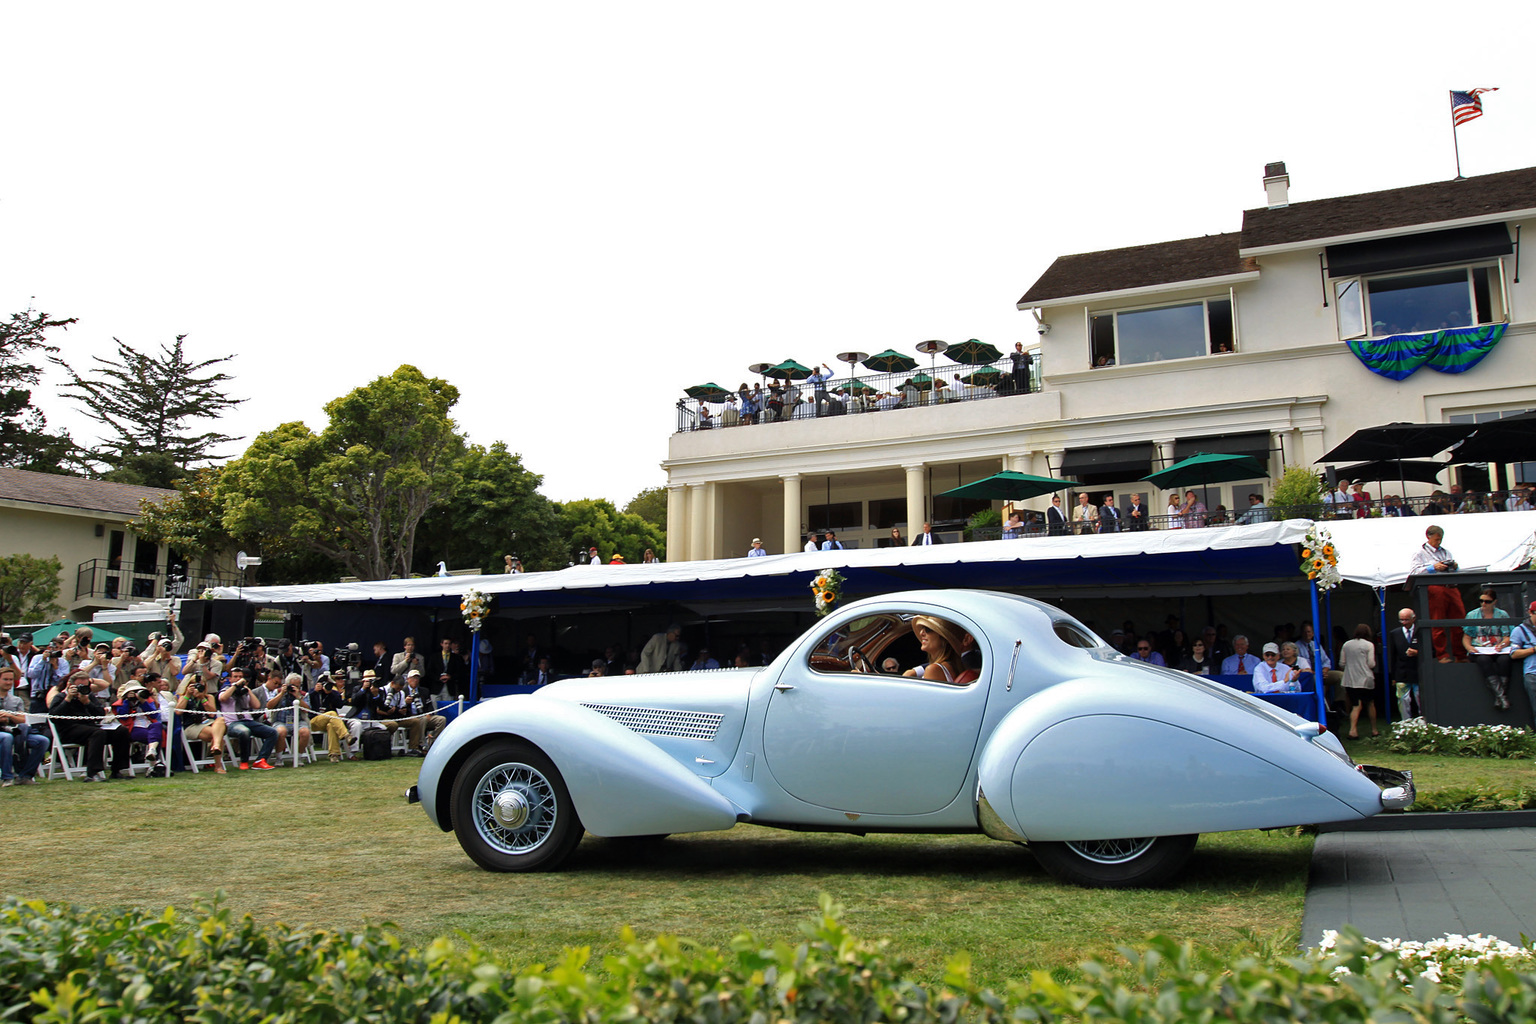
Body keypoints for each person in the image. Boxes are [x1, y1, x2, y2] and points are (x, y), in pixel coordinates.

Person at [48, 670, 132, 781]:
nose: (82, 688)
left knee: (121, 731)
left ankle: (117, 770)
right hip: (68, 730)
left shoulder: (88, 696)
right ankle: (92, 773)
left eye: (85, 686)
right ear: (70, 685)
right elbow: (54, 717)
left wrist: (87, 702)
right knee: (98, 733)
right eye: (79, 686)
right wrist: (68, 699)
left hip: (90, 728)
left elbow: (100, 714)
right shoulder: (60, 697)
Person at [1408, 525, 1465, 661]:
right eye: (1436, 539)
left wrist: (1454, 567)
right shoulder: (1420, 553)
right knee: (1437, 621)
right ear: (1429, 537)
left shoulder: (1446, 552)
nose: (1439, 542)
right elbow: (1414, 572)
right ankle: (1442, 655)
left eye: (1440, 539)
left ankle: (1460, 655)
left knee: (1460, 620)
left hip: (1450, 586)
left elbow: (1454, 570)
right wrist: (1433, 567)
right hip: (1434, 587)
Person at [1463, 586, 1514, 711]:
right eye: (1481, 601)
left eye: (1487, 601)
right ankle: (1502, 697)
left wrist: (1502, 644)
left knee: (1505, 660)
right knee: (1483, 660)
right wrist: (1470, 648)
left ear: (1494, 602)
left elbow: (1507, 636)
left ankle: (1499, 697)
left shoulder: (1502, 615)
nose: (1484, 604)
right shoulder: (1473, 615)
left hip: (1498, 648)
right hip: (1480, 649)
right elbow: (1466, 637)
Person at [0, 666, 47, 786]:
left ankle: (25, 776)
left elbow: (23, 719)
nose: (9, 682)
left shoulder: (16, 700)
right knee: (6, 738)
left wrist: (10, 716)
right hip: (4, 733)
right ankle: (7, 777)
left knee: (42, 741)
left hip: (17, 731)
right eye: (5, 679)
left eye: (11, 680)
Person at [902, 616, 966, 684]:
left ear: (944, 639)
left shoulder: (933, 670)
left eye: (928, 629)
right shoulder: (952, 665)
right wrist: (915, 671)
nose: (921, 633)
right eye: (922, 628)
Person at [1388, 608, 1422, 721]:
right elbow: (1393, 655)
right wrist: (1394, 676)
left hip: (1418, 671)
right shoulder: (1395, 633)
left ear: (1413, 618)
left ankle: (1424, 719)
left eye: (1406, 620)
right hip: (1402, 672)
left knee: (1420, 697)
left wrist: (1417, 653)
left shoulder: (1420, 632)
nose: (1404, 623)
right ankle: (1405, 721)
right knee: (1403, 699)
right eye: (1401, 620)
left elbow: (1431, 651)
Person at [1509, 601, 1536, 729]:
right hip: (1533, 675)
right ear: (1530, 613)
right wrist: (1533, 649)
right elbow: (1514, 654)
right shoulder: (1519, 630)